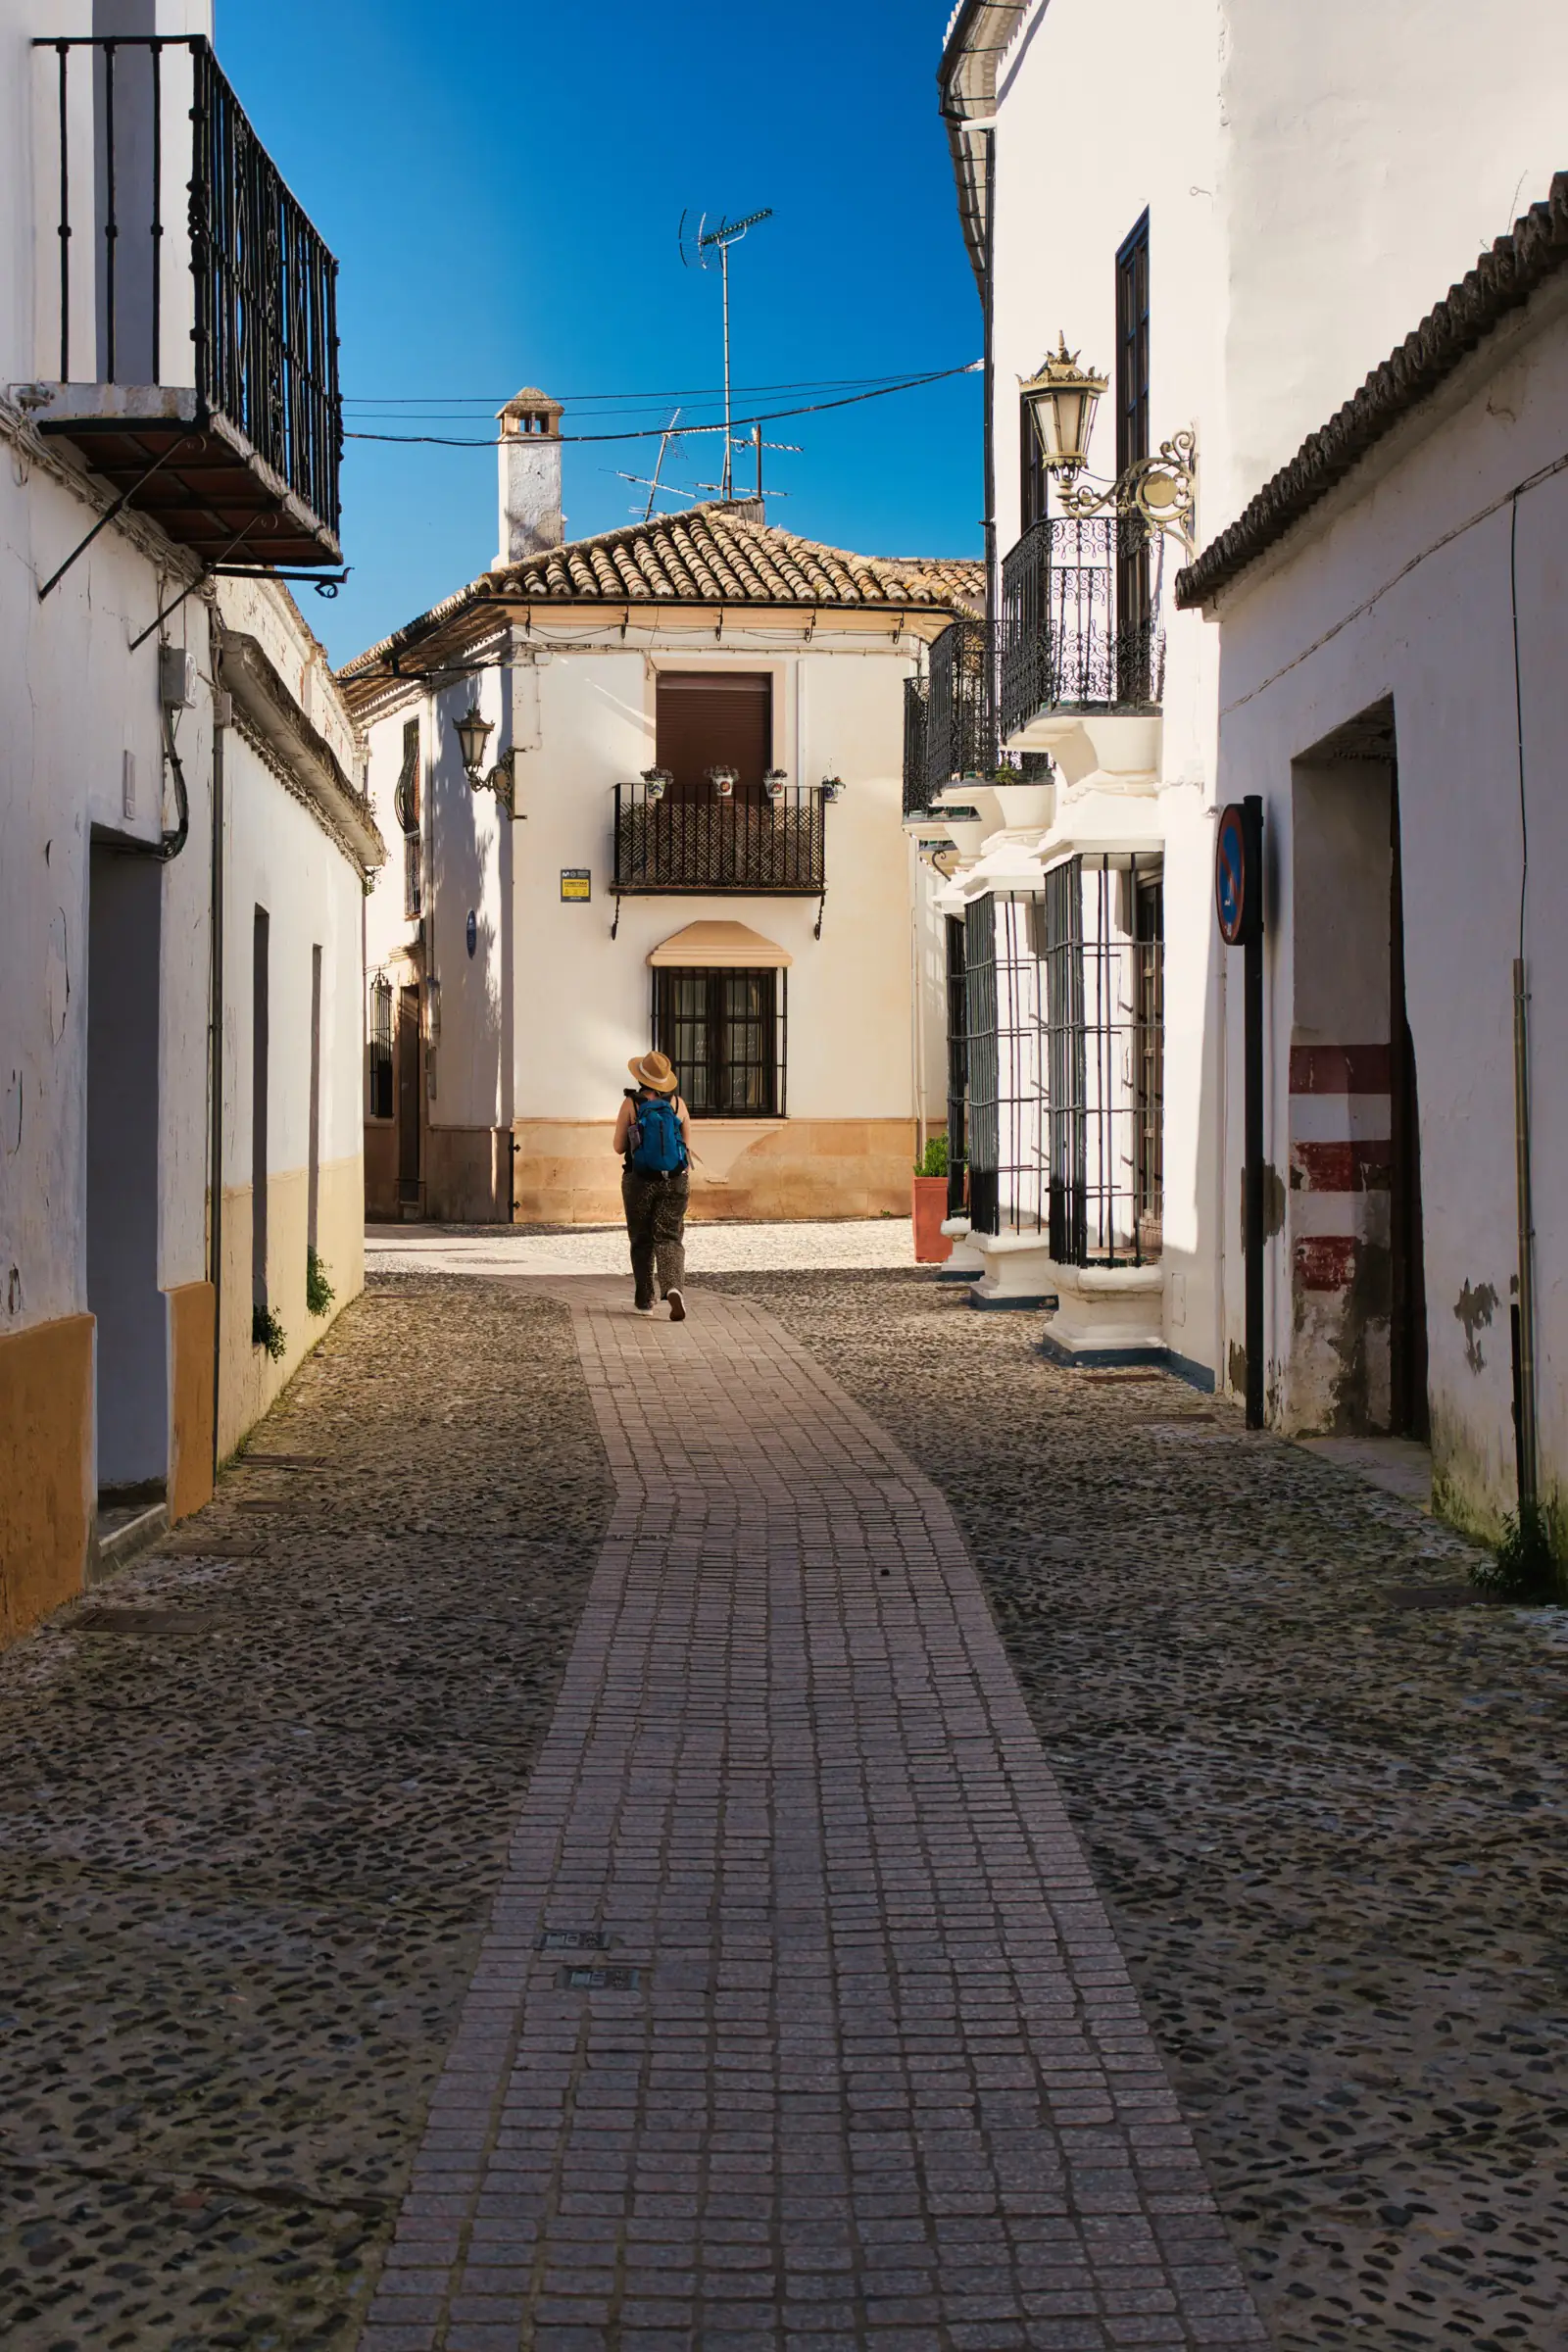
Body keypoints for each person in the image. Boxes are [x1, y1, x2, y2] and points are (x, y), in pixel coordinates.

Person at [613, 1052, 692, 1319]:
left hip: (639, 1179)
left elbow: (618, 1147)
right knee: (669, 1236)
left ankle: (645, 1299)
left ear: (640, 1076)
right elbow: (686, 1147)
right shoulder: (679, 1104)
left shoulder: (631, 1103)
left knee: (641, 1239)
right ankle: (673, 1288)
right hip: (675, 1180)